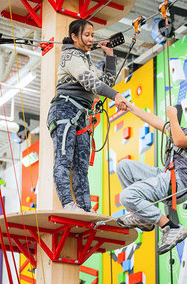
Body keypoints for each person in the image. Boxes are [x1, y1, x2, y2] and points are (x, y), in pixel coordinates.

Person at [116, 98, 187, 254]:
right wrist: (130, 107)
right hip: (167, 175)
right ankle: (145, 218)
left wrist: (173, 117)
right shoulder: (186, 132)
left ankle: (171, 227)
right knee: (124, 167)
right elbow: (157, 122)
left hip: (179, 182)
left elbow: (180, 141)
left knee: (127, 197)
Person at [47, 19, 127, 212]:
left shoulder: (86, 60)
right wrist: (115, 96)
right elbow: (89, 82)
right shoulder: (71, 56)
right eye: (86, 35)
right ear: (74, 36)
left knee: (82, 166)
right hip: (65, 109)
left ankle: (85, 207)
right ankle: (68, 203)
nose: (91, 39)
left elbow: (107, 81)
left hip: (82, 114)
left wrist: (109, 56)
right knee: (64, 160)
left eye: (92, 35)